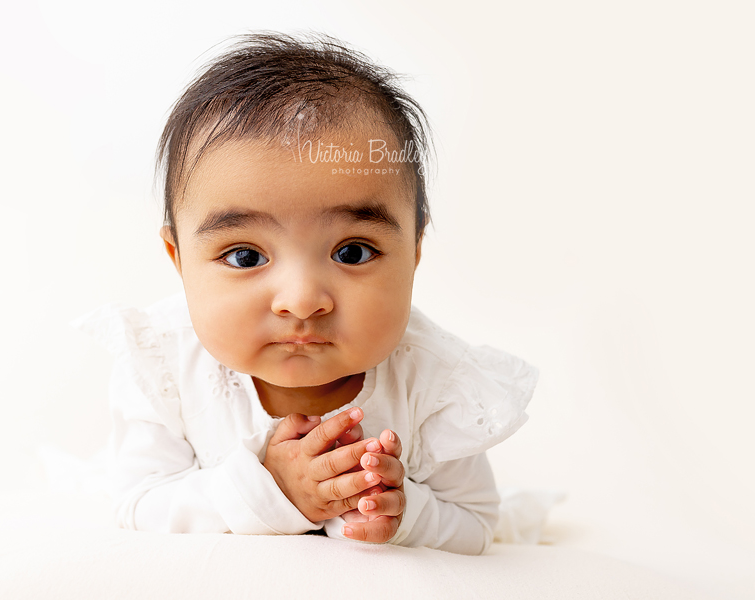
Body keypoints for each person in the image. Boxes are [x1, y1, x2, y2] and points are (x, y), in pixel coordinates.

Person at [73, 31, 539, 555]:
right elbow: (139, 504)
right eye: (246, 256)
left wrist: (405, 510)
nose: (301, 300)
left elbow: (476, 521)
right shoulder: (164, 364)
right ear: (179, 262)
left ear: (414, 250)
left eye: (353, 252)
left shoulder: (433, 380)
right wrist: (270, 488)